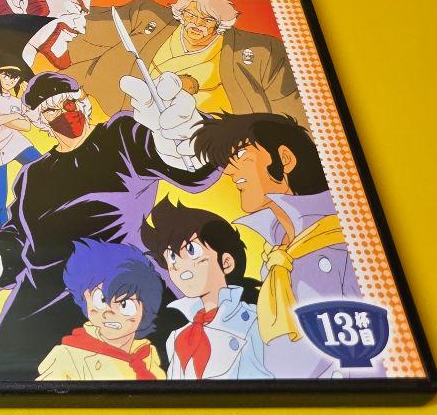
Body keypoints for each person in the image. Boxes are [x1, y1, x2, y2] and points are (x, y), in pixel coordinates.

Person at [0, 69, 218, 381]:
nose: (66, 113)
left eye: (69, 102)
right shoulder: (33, 175)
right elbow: (19, 231)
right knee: (10, 382)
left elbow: (187, 166)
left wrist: (186, 135)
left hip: (119, 283)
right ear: (41, 120)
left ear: (82, 102)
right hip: (44, 295)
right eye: (52, 110)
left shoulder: (121, 135)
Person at [194, 112, 362, 378]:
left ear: (285, 159)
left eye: (241, 155)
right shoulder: (275, 255)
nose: (229, 172)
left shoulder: (346, 239)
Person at [66, 0, 306, 126]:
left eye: (207, 20)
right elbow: (87, 25)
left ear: (221, 25)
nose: (196, 24)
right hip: (129, 119)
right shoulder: (148, 17)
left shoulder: (260, 52)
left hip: (206, 135)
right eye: (190, 16)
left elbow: (291, 105)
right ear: (181, 14)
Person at [141, 198, 270, 380]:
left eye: (191, 250)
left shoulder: (256, 322)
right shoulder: (177, 337)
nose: (178, 265)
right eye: (171, 257)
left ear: (226, 262)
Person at [37, 241, 165, 381]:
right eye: (102, 300)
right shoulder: (68, 357)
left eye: (124, 304)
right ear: (86, 298)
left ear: (144, 309)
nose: (109, 312)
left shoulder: (146, 354)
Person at [0, 45, 39, 234]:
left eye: (15, 77)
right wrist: (12, 116)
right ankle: (0, 238)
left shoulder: (16, 101)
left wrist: (1, 117)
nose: (11, 80)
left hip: (15, 142)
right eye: (7, 75)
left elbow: (26, 126)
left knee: (44, 165)